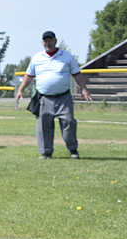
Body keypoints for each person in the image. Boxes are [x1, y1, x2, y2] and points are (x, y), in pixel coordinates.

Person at [14, 31, 93, 159]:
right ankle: (46, 152)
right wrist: (21, 90)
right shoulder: (37, 58)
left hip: (63, 97)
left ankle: (73, 149)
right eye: (45, 40)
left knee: (69, 122)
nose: (47, 43)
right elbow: (29, 76)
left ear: (55, 41)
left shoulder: (66, 56)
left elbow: (77, 74)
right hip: (44, 98)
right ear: (42, 42)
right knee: (43, 125)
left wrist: (84, 89)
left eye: (50, 40)